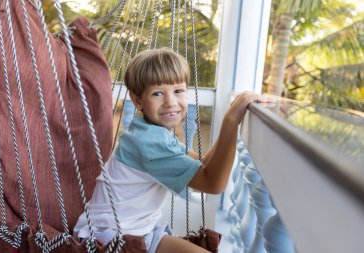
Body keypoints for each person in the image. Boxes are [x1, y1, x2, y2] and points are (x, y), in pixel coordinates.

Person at [74, 47, 273, 253]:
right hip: (109, 239)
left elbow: (203, 162)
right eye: (157, 93)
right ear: (137, 100)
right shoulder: (149, 142)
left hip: (140, 230)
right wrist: (231, 120)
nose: (170, 102)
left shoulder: (150, 130)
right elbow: (214, 184)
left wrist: (231, 119)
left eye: (178, 91)